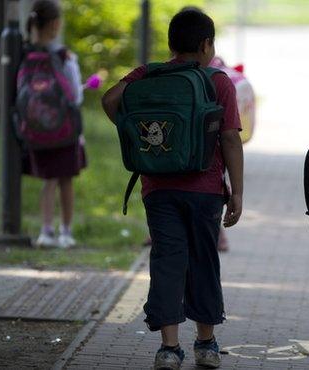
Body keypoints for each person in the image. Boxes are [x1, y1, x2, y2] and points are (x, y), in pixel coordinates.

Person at [102, 9, 244, 370]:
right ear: (206, 44)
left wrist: (132, 129)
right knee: (203, 261)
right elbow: (229, 138)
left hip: (158, 188)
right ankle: (206, 343)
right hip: (205, 189)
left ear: (171, 45)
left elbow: (109, 100)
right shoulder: (218, 81)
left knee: (167, 261)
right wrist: (237, 192)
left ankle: (168, 349)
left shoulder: (147, 74)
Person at [22, 0, 86, 249]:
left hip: (37, 129)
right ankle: (66, 232)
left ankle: (45, 231)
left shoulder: (26, 55)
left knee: (48, 180)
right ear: (57, 24)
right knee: (65, 180)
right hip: (65, 131)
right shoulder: (65, 57)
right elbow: (76, 97)